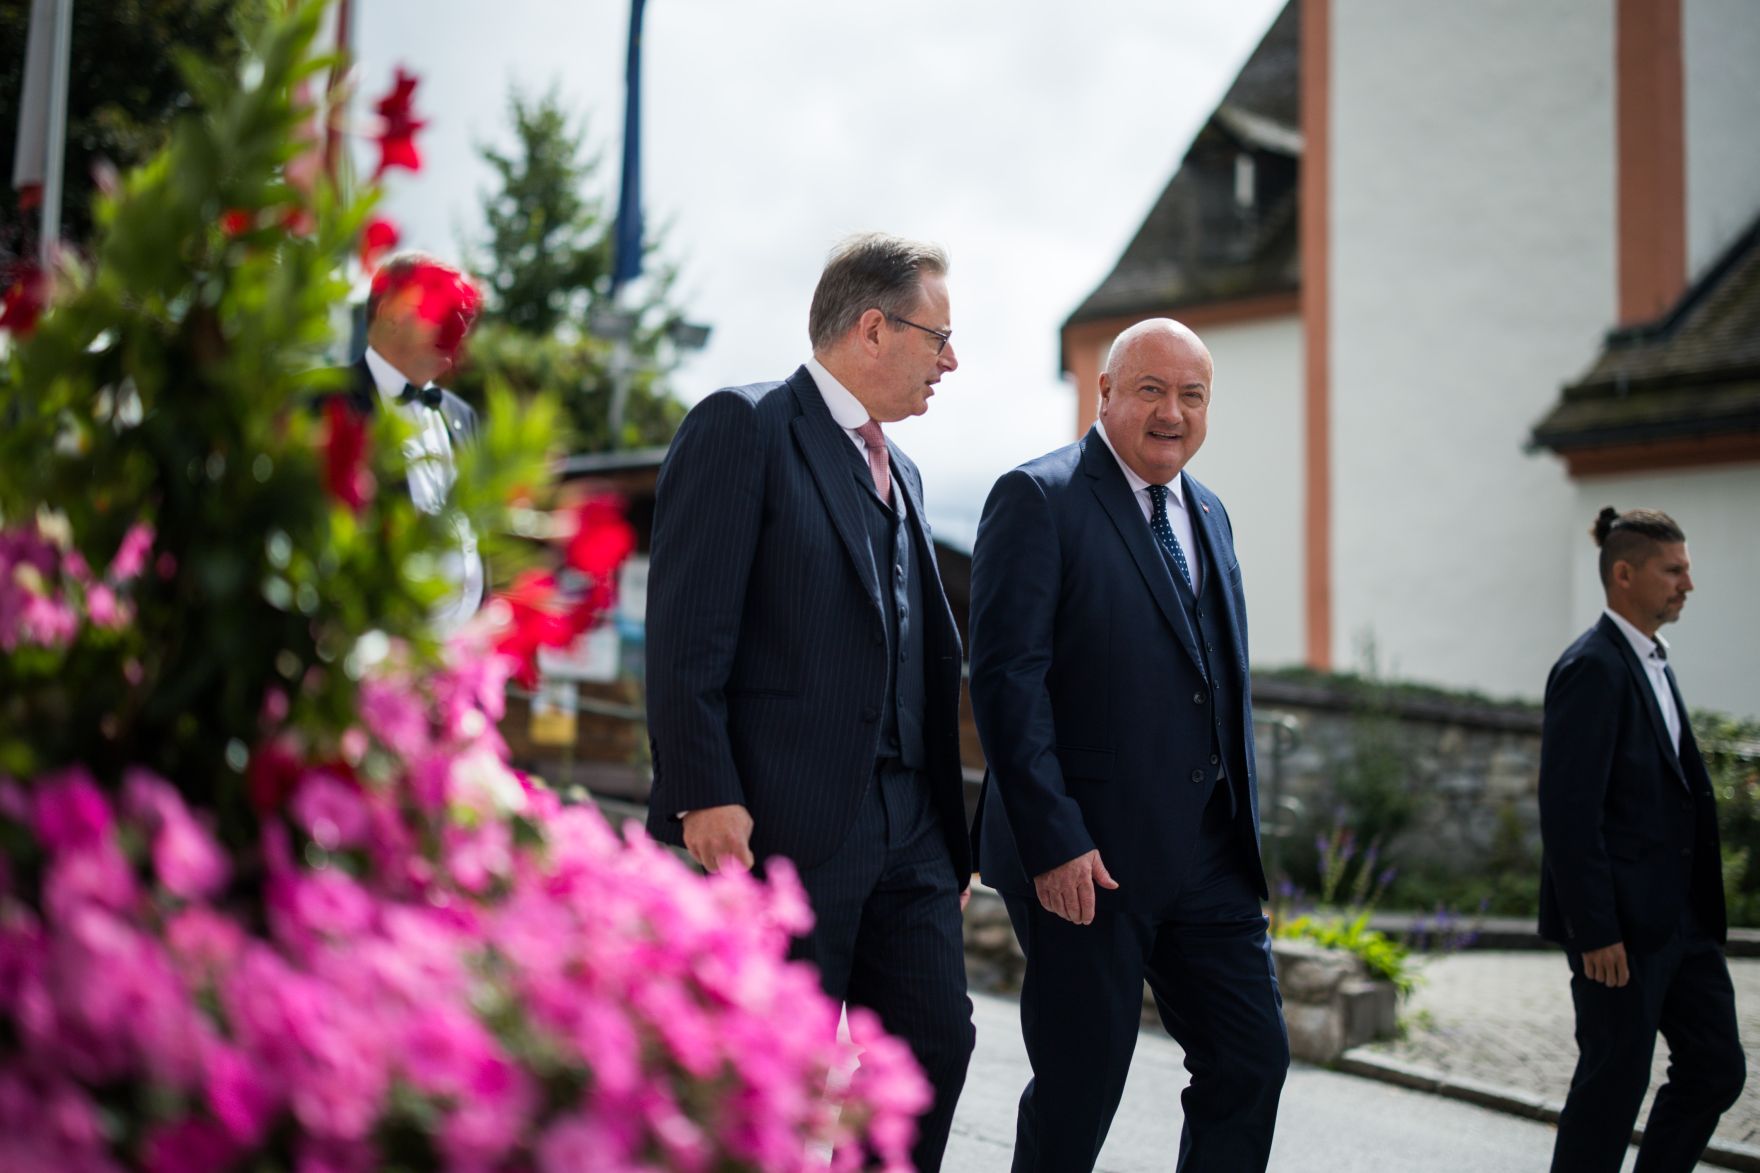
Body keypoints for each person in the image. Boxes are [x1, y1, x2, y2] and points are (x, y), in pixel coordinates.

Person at [643, 232, 974, 1170]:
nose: (951, 361)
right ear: (874, 328)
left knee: (932, 1049)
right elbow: (685, 631)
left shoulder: (903, 474)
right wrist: (704, 789)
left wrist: (947, 832)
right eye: (937, 337)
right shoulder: (741, 427)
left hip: (908, 830)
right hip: (781, 821)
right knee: (771, 1081)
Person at [968, 318, 1288, 1172]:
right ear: (1104, 392)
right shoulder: (1038, 498)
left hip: (1209, 856)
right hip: (1088, 858)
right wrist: (1054, 838)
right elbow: (1007, 683)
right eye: (1151, 389)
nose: (1172, 412)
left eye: (1192, 395)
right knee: (1081, 1089)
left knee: (1251, 1060)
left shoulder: (1211, 513)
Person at [1539, 507, 1743, 1172]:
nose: (1688, 583)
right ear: (1624, 574)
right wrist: (1595, 928)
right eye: (1673, 569)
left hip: (1682, 922)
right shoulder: (1591, 667)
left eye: (1687, 568)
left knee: (1716, 1068)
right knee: (1611, 1090)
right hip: (1620, 931)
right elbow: (1569, 811)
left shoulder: (1652, 660)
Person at [325, 252, 485, 633]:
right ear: (393, 312)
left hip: (459, 664)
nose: (460, 328)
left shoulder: (463, 416)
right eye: (446, 311)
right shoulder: (326, 399)